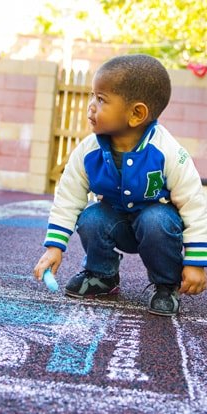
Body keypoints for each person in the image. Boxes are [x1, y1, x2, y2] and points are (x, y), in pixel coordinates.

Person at [34, 54, 207, 316]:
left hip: (157, 226)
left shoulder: (167, 151)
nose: (91, 106)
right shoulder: (88, 150)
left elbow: (194, 205)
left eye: (101, 99)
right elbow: (68, 198)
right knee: (91, 216)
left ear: (136, 114)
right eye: (93, 96)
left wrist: (195, 263)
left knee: (156, 219)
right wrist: (54, 247)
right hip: (114, 220)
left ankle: (165, 285)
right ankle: (102, 275)